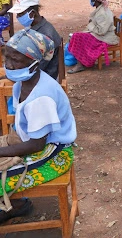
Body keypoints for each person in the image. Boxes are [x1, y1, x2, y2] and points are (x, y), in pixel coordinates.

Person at [0, 29, 76, 224]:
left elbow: (36, 146)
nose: (8, 64)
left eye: (15, 59)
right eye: (6, 57)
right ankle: (15, 205)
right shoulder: (24, 82)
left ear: (34, 62)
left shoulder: (41, 96)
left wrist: (2, 151)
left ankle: (13, 206)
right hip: (34, 141)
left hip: (56, 152)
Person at [7, 0, 61, 80]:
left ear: (32, 13)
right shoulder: (35, 28)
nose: (17, 17)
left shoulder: (45, 35)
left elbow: (38, 67)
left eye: (20, 14)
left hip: (44, 77)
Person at [67, 0, 118, 74]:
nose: (90, 1)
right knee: (77, 36)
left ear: (96, 0)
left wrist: (91, 24)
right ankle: (81, 62)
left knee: (78, 37)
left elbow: (101, 31)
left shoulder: (102, 13)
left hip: (105, 38)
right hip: (99, 35)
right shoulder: (100, 9)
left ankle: (80, 65)